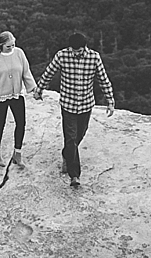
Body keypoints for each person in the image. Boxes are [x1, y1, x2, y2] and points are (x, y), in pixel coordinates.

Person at [33, 31, 115, 188]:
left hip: (85, 104)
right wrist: (39, 89)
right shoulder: (62, 56)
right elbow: (49, 73)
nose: (75, 53)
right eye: (73, 50)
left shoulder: (94, 57)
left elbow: (103, 80)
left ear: (84, 47)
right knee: (70, 138)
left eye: (78, 51)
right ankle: (74, 175)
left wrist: (110, 101)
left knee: (79, 134)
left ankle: (66, 154)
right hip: (68, 104)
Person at [0, 31, 37, 169]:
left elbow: (26, 72)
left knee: (21, 123)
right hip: (1, 96)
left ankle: (17, 153)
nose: (12, 48)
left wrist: (33, 88)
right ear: (1, 46)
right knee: (0, 123)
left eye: (13, 45)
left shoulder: (19, 53)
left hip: (17, 94)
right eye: (8, 46)